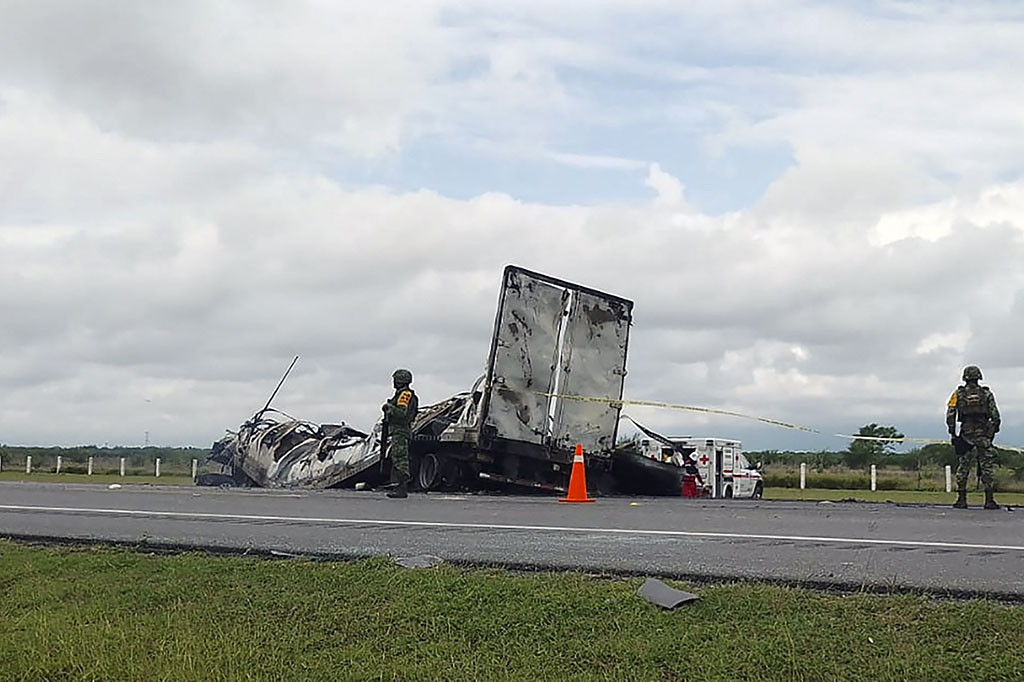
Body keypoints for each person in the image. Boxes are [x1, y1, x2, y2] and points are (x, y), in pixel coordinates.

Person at [946, 365, 1001, 509]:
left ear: (965, 377)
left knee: (963, 467)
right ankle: (989, 500)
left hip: (966, 434)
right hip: (983, 435)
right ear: (979, 377)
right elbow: (995, 416)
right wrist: (992, 433)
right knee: (987, 467)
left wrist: (952, 433)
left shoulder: (958, 393)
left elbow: (950, 414)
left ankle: (961, 499)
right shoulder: (987, 394)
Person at [382, 368, 418, 499]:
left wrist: (389, 408)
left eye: (395, 380)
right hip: (398, 431)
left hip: (400, 431)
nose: (393, 382)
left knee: (400, 459)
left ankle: (401, 488)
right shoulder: (401, 394)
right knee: (397, 458)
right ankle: (398, 486)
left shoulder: (404, 395)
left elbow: (402, 413)